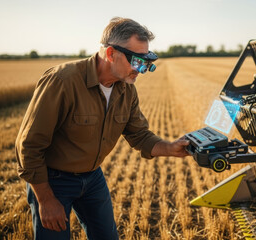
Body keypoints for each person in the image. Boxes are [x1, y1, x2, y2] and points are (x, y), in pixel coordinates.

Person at [15, 17, 190, 239]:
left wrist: (171, 148)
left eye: (146, 63)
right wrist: (46, 199)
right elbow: (29, 145)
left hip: (93, 178)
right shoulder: (62, 81)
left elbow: (139, 135)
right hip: (53, 181)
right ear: (110, 54)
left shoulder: (126, 90)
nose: (141, 70)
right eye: (136, 61)